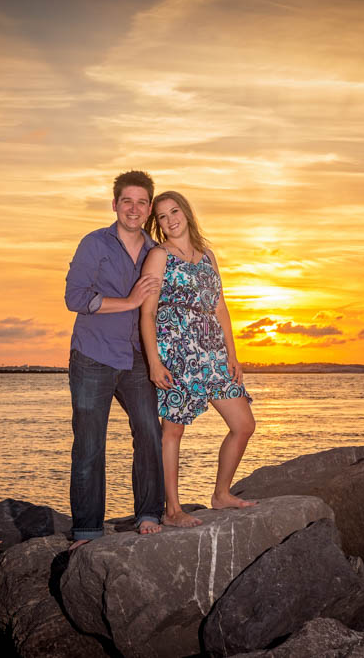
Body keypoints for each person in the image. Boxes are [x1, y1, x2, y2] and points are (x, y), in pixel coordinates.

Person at [140, 191, 256, 528]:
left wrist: (232, 355)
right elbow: (147, 313)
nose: (170, 219)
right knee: (172, 432)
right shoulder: (159, 256)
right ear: (157, 224)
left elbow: (220, 307)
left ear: (187, 213)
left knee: (243, 424)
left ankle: (221, 494)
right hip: (176, 351)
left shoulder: (207, 256)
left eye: (174, 211)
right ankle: (172, 510)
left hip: (212, 352)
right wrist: (154, 362)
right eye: (162, 216)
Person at [64, 170, 166, 548]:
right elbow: (75, 298)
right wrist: (128, 302)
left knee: (150, 433)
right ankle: (88, 529)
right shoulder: (94, 244)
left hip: (138, 356)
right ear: (115, 205)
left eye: (142, 202)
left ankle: (149, 513)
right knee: (90, 443)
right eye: (127, 201)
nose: (134, 209)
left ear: (149, 207)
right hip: (93, 355)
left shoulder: (158, 252)